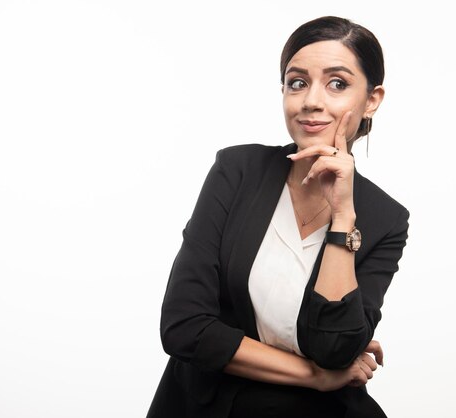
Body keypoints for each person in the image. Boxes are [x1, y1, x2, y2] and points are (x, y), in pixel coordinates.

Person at [146, 15, 410, 418]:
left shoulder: (386, 219)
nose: (311, 101)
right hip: (208, 405)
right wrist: (315, 375)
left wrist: (343, 218)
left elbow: (335, 348)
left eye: (337, 84)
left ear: (372, 99)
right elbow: (184, 327)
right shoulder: (237, 171)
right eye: (297, 82)